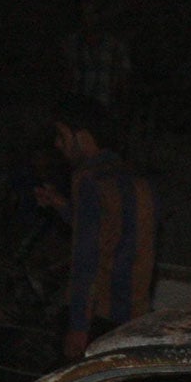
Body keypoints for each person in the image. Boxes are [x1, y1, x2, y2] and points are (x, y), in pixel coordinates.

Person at [34, 95, 157, 360]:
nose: (58, 145)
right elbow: (110, 231)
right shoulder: (132, 177)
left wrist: (78, 327)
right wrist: (61, 205)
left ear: (81, 136)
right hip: (136, 314)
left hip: (101, 316)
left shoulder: (88, 179)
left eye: (61, 135)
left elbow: (86, 257)